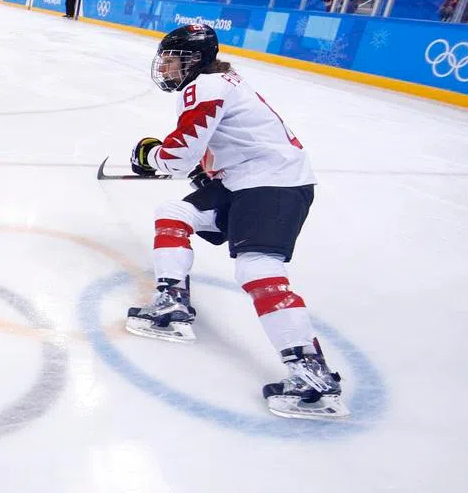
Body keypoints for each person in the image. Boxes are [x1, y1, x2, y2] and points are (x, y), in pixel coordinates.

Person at [127, 24, 346, 420]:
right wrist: (205, 169)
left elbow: (178, 154)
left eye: (172, 58)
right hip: (246, 180)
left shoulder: (207, 87)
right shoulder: (219, 81)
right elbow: (223, 143)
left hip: (273, 184)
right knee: (175, 212)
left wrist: (151, 156)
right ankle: (172, 301)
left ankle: (312, 374)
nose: (166, 66)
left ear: (192, 60)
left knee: (257, 267)